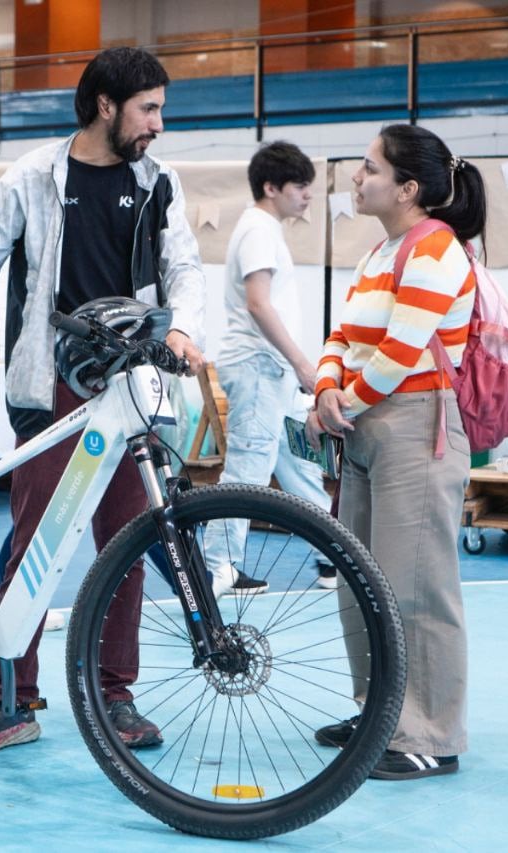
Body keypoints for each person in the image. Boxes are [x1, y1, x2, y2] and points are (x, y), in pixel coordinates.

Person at [0, 46, 206, 754]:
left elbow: (184, 267)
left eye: (160, 109)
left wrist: (183, 328)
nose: (159, 124)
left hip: (131, 387)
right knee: (32, 542)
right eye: (148, 109)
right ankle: (13, 699)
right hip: (52, 388)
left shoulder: (159, 183)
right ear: (105, 105)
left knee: (126, 546)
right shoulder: (34, 176)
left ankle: (114, 696)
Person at [309, 124, 483, 780]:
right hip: (365, 426)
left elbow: (401, 350)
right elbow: (343, 335)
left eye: (370, 168)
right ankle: (380, 712)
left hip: (415, 427)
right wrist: (327, 386)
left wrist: (340, 402)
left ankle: (429, 734)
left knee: (415, 586)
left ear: (408, 189)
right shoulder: (378, 253)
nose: (357, 178)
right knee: (362, 582)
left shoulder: (435, 248)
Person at [202, 140, 335, 598]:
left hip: (272, 371)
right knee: (247, 470)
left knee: (301, 464)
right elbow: (258, 305)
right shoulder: (258, 230)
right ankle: (217, 568)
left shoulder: (265, 229)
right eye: (300, 186)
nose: (308, 195)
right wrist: (302, 363)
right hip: (260, 367)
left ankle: (331, 556)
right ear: (271, 187)